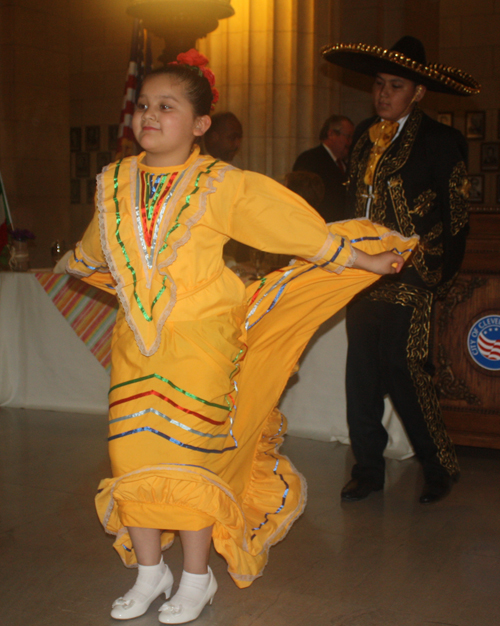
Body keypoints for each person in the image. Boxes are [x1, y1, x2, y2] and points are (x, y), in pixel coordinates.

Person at [67, 49, 417, 624]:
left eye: (167, 106)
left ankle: (197, 578)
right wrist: (78, 265)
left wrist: (359, 259)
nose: (150, 115)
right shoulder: (113, 181)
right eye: (145, 105)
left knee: (192, 462)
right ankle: (150, 572)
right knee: (132, 459)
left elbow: (288, 227)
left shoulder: (219, 184)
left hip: (204, 346)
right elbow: (94, 245)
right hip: (137, 349)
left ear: (200, 124)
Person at [322, 36, 480, 505]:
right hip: (362, 273)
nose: (384, 94)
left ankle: (438, 466)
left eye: (395, 86)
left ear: (418, 93)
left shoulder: (441, 141)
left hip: (412, 275)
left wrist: (438, 278)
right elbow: (353, 202)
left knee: (405, 369)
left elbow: (457, 218)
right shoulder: (366, 132)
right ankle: (368, 470)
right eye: (378, 84)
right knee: (362, 375)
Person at [292, 114, 354, 222]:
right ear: (331, 134)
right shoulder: (310, 159)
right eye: (347, 136)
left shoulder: (345, 163)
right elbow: (304, 197)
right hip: (320, 224)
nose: (350, 142)